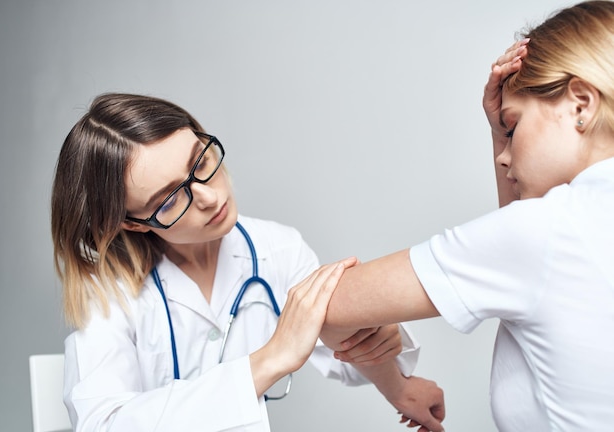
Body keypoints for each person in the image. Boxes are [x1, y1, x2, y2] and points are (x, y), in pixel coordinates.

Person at [50, 93, 445, 431]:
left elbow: (338, 338)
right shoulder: (107, 291)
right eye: (170, 199)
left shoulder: (276, 247)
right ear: (132, 224)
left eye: (200, 162)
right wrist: (270, 360)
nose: (207, 196)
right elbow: (102, 424)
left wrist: (396, 382)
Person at [320, 1, 614, 431]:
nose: (503, 157)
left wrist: (385, 371)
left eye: (512, 127)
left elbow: (323, 308)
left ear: (581, 105)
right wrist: (502, 130)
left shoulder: (546, 232)